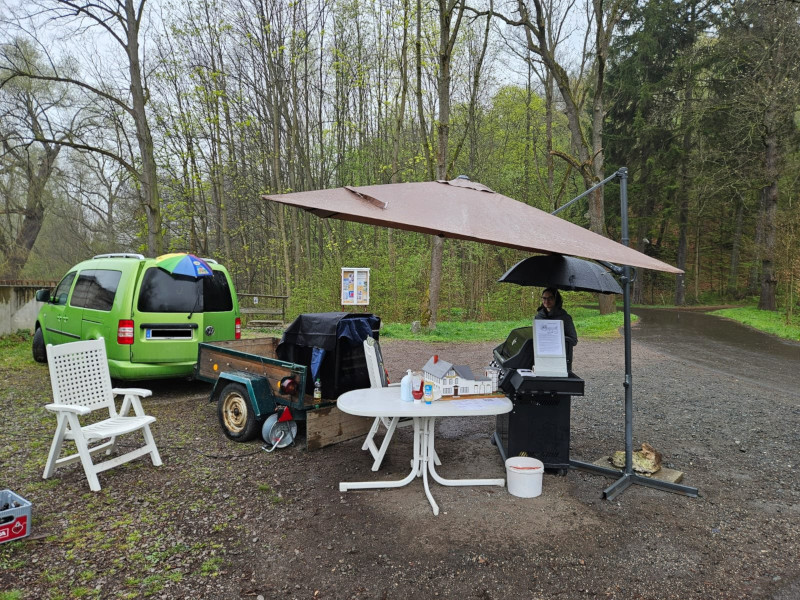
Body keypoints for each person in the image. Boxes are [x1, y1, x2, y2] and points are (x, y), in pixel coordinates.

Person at [535, 287, 578, 368]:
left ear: (556, 299)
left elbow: (573, 340)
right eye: (544, 298)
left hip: (560, 358)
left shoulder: (565, 318)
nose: (546, 301)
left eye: (550, 298)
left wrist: (555, 338)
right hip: (542, 357)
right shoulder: (538, 317)